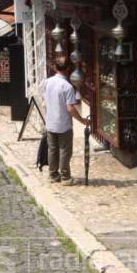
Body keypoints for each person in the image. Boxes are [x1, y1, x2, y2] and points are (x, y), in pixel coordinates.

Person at [41, 56, 89, 185]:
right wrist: (82, 120)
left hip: (50, 122)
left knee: (52, 149)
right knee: (64, 150)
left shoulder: (47, 82)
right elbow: (70, 108)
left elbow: (44, 101)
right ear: (68, 69)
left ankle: (53, 175)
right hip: (63, 124)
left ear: (56, 68)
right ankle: (65, 177)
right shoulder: (67, 87)